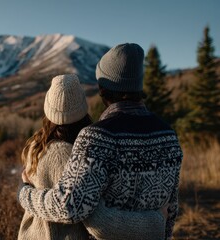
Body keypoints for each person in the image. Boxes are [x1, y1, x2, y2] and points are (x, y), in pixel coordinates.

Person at [18, 44, 183, 240]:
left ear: (102, 90)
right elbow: (170, 210)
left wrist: (24, 193)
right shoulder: (169, 137)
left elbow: (71, 207)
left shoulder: (97, 139)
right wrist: (158, 227)